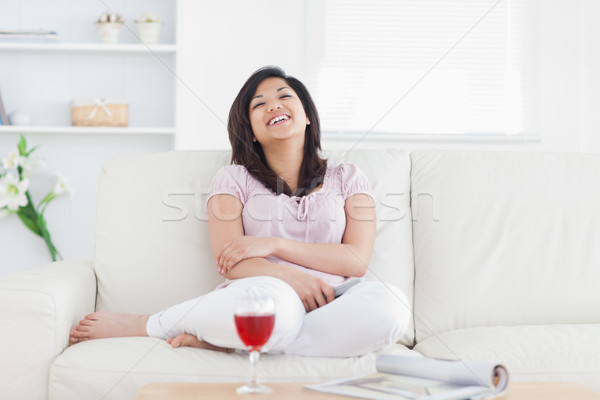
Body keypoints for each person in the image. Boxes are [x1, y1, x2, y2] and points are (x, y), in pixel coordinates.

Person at [70, 66, 410, 357]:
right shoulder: (232, 179)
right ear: (252, 132)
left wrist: (275, 245)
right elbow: (230, 260)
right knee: (276, 313)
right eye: (258, 104)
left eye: (284, 96)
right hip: (265, 294)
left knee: (392, 307)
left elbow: (355, 260)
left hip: (335, 301)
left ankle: (239, 345)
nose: (273, 105)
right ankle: (151, 323)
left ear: (307, 115)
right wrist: (291, 277)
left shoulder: (349, 177)